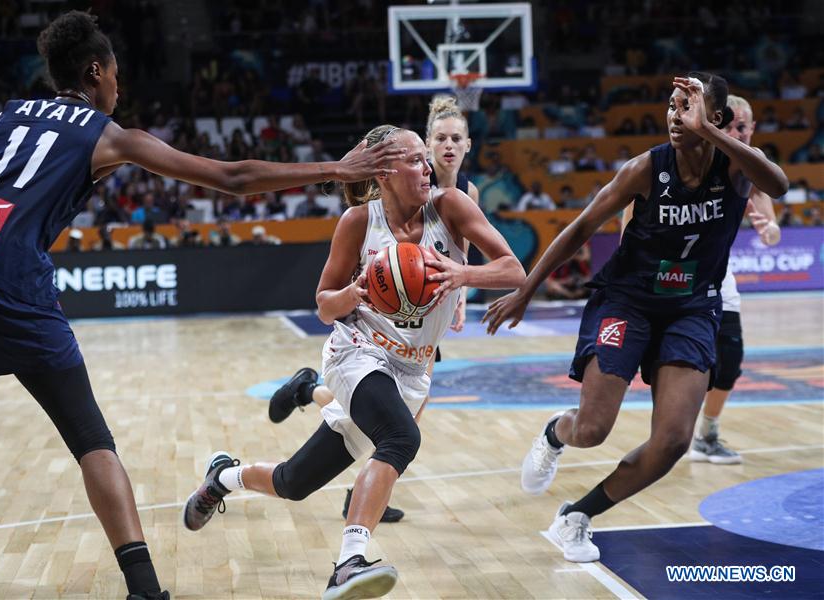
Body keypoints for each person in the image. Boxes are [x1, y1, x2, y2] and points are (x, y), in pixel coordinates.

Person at [0, 11, 404, 600]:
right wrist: (337, 167)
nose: (118, 90)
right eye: (116, 78)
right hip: (6, 269)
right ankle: (146, 591)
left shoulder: (4, 115)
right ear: (95, 72)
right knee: (90, 437)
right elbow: (231, 177)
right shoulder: (107, 133)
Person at [182, 125, 525, 600]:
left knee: (294, 482)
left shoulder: (451, 206)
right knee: (402, 438)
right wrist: (352, 293)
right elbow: (323, 304)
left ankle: (222, 476)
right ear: (383, 172)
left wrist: (462, 272)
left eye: (426, 159)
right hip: (356, 352)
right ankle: (349, 563)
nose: (427, 167)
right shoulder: (358, 222)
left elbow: (514, 270)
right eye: (414, 160)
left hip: (412, 370)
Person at [483, 72, 788, 563]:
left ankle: (577, 515)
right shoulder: (645, 169)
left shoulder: (734, 169)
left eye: (686, 108)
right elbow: (582, 226)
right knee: (592, 431)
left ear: (713, 118)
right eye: (670, 106)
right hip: (628, 301)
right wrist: (526, 289)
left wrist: (711, 134)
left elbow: (780, 183)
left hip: (692, 307)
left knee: (671, 442)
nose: (674, 115)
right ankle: (555, 433)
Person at [265, 96, 481, 522]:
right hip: (384, 325)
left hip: (431, 311)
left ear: (469, 144)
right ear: (428, 144)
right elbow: (331, 296)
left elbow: (464, 253)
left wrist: (461, 295)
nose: (447, 147)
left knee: (401, 417)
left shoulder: (466, 193)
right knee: (402, 426)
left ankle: (310, 394)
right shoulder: (404, 192)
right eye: (439, 140)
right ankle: (363, 502)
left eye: (456, 138)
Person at [689, 95, 781, 464]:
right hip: (677, 273)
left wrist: (769, 227)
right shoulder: (694, 156)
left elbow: (771, 229)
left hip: (718, 273)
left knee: (730, 359)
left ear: (752, 129)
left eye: (742, 127)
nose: (735, 133)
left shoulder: (753, 163)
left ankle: (706, 435)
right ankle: (669, 431)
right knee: (677, 360)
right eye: (728, 126)